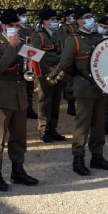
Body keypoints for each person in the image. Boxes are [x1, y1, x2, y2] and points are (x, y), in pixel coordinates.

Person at [57, 7, 108, 175]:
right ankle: (78, 158)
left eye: (91, 16)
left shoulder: (99, 38)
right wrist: (78, 76)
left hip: (101, 88)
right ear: (78, 21)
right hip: (84, 88)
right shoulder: (74, 40)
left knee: (99, 124)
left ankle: (97, 156)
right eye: (86, 17)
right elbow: (65, 64)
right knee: (82, 125)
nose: (90, 19)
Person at [0, 10, 40, 191]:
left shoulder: (22, 42)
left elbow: (37, 59)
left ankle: (18, 170)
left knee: (19, 136)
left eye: (17, 26)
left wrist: (34, 58)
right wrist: (12, 47)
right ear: (3, 26)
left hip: (20, 94)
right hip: (2, 95)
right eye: (11, 26)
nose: (15, 29)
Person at [29, 8, 67, 142]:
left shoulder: (56, 34)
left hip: (57, 72)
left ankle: (53, 129)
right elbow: (35, 55)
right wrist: (55, 60)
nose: (55, 21)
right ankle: (43, 130)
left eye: (55, 19)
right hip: (44, 72)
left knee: (56, 101)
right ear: (45, 21)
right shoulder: (38, 35)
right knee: (45, 102)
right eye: (52, 19)